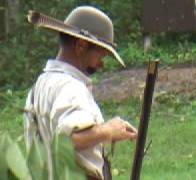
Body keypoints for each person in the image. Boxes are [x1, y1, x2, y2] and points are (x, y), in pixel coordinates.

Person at [24, 6, 138, 180]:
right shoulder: (70, 87)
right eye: (100, 56)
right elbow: (67, 140)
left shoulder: (40, 85)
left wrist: (105, 129)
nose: (101, 65)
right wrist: (108, 130)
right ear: (81, 46)